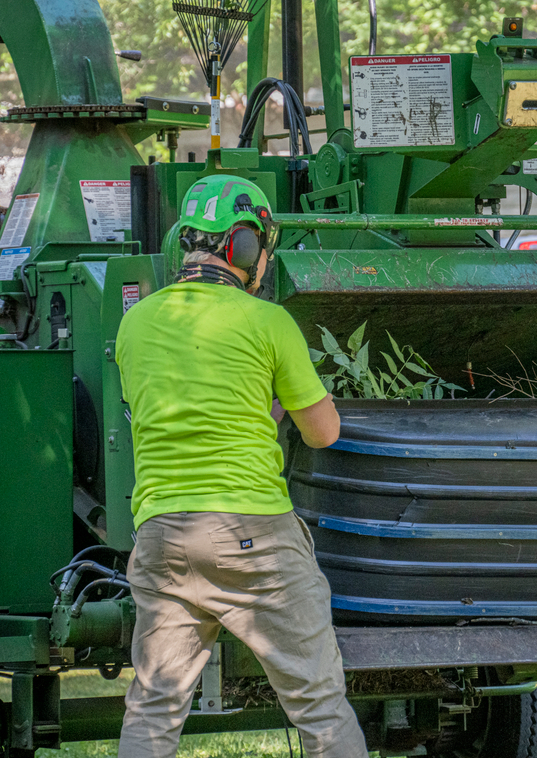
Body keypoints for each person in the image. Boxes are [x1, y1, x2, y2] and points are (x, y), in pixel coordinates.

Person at [116, 174, 368, 758]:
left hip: (162, 535)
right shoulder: (268, 321)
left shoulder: (135, 322)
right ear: (245, 246)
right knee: (319, 703)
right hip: (251, 533)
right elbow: (323, 432)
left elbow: (183, 407)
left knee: (154, 706)